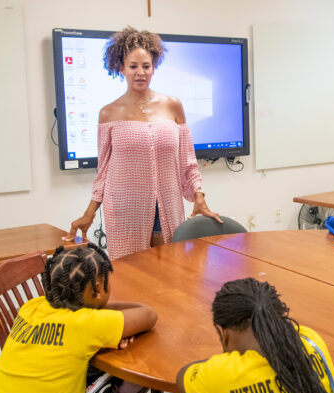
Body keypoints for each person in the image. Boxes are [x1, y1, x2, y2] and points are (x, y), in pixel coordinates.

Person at [63, 26, 221, 259]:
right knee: (132, 274)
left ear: (154, 67)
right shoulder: (108, 113)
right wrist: (89, 213)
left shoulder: (172, 106)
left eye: (146, 66)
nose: (140, 72)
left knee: (171, 270)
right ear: (121, 68)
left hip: (168, 204)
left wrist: (199, 194)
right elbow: (104, 171)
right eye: (133, 66)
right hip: (124, 209)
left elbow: (187, 160)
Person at [0, 244, 158, 393]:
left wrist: (106, 317)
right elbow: (148, 314)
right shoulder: (86, 323)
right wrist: (107, 316)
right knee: (116, 374)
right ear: (97, 290)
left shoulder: (29, 307)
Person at [176, 278, 334, 393]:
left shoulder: (219, 375)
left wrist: (222, 360)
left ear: (223, 333)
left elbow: (182, 376)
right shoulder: (311, 340)